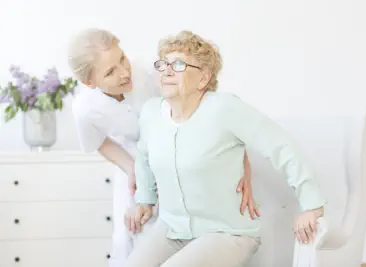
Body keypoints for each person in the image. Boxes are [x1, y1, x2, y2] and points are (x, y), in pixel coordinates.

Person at [125, 30, 326, 267]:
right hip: (171, 229)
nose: (167, 70)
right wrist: (144, 201)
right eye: (163, 64)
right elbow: (144, 156)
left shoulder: (225, 109)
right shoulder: (151, 113)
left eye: (179, 64)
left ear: (203, 78)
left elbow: (281, 147)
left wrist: (312, 206)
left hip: (227, 233)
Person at [67, 28, 259, 267]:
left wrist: (242, 168)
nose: (125, 72)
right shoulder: (84, 108)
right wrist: (132, 169)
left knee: (190, 230)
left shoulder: (151, 69)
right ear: (89, 82)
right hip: (134, 163)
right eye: (110, 72)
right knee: (127, 240)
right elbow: (99, 143)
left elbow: (210, 111)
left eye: (122, 59)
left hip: (181, 156)